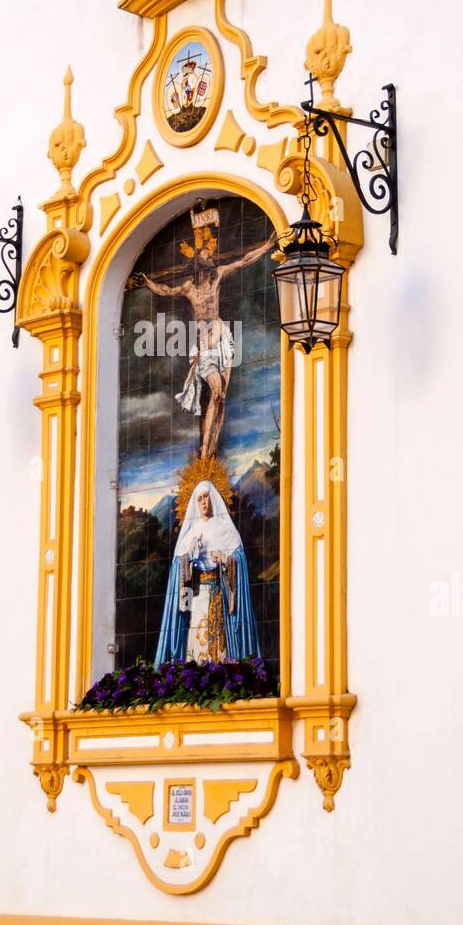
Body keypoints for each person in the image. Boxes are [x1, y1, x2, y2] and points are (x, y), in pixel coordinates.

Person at [139, 228, 276, 457]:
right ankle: (204, 451)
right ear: (197, 264)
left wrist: (267, 246)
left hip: (222, 339)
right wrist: (148, 283)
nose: (210, 259)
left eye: (209, 256)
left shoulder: (218, 277)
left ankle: (211, 450)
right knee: (214, 392)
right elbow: (165, 290)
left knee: (221, 396)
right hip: (204, 347)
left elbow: (244, 260)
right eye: (206, 257)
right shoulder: (189, 288)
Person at [154, 482, 259, 665]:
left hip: (220, 594)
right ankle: (195, 675)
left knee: (220, 641)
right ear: (195, 503)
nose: (203, 502)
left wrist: (225, 560)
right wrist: (190, 556)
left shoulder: (225, 528)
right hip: (197, 596)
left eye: (206, 496)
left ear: (214, 498)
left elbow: (239, 559)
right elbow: (178, 567)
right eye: (199, 498)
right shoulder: (190, 532)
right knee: (196, 639)